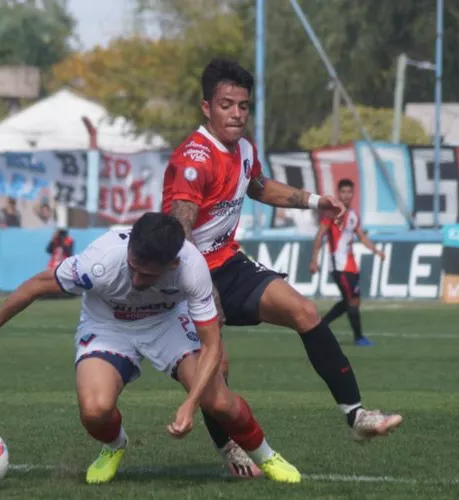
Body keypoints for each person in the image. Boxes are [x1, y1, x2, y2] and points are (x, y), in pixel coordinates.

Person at [162, 58, 402, 478]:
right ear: (206, 107)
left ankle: (357, 417)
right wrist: (201, 286)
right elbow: (178, 236)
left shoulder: (244, 150)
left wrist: (314, 201)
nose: (236, 114)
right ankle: (230, 449)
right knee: (217, 372)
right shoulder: (193, 160)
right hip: (188, 276)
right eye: (226, 105)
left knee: (304, 311)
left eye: (243, 105)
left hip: (230, 264)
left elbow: (258, 186)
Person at [0, 213, 301, 485]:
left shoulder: (191, 268)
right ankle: (115, 445)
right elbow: (37, 285)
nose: (136, 280)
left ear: (173, 265)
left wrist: (190, 403)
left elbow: (213, 343)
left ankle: (266, 455)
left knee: (219, 400)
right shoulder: (100, 260)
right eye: (133, 268)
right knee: (94, 410)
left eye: (148, 276)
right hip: (108, 325)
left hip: (167, 324)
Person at [310, 179, 386, 346]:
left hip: (351, 266)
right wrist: (314, 259)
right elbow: (320, 235)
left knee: (351, 301)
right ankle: (358, 338)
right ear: (339, 193)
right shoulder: (331, 213)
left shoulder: (353, 215)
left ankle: (320, 326)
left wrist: (376, 251)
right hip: (338, 266)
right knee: (351, 300)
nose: (346, 195)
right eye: (343, 192)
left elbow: (362, 237)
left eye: (349, 192)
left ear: (353, 194)